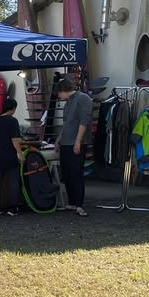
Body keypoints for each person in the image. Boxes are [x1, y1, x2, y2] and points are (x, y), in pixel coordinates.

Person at [55, 76, 93, 216]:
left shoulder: (83, 98)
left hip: (76, 141)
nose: (59, 96)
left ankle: (79, 203)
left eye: (59, 93)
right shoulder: (68, 102)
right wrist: (59, 139)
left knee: (76, 173)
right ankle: (71, 202)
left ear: (63, 90)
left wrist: (78, 140)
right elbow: (66, 123)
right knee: (67, 173)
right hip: (66, 141)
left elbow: (84, 120)